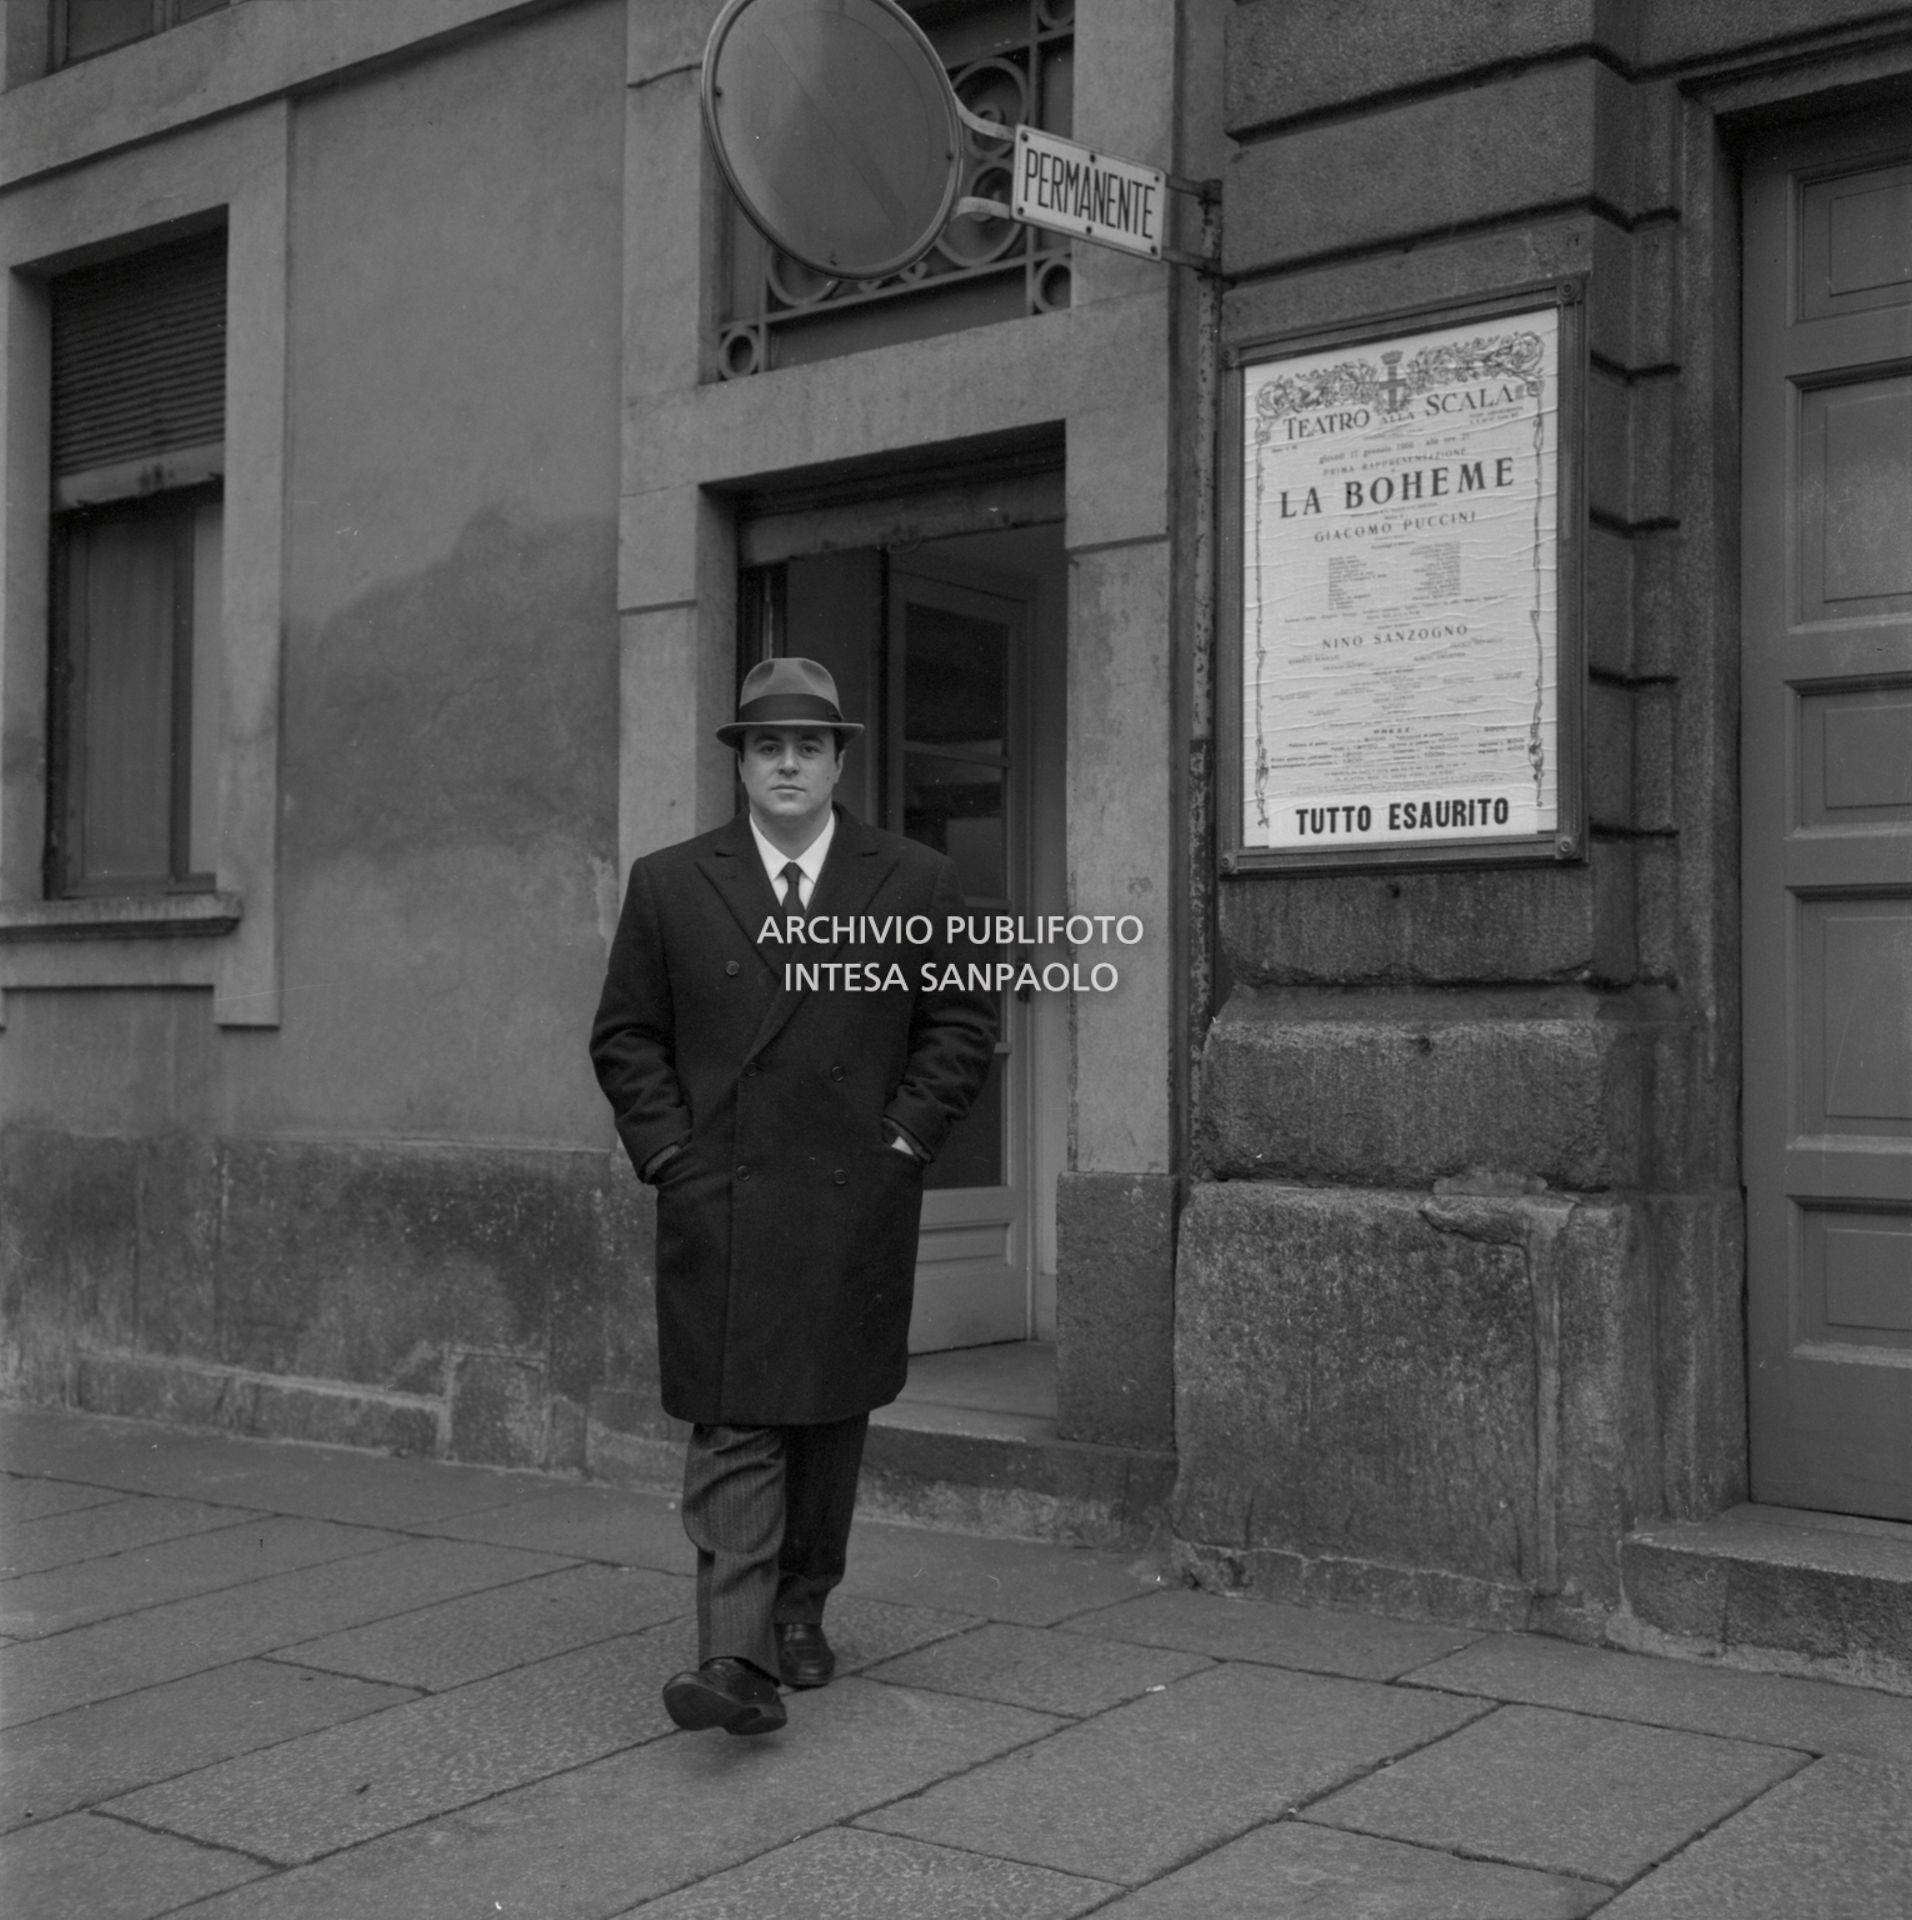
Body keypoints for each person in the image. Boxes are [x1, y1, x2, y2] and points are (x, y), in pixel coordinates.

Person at [590, 656, 996, 1736]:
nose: (785, 764)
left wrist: (902, 1139)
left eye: (806, 747)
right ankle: (732, 1656)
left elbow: (961, 1024)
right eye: (765, 746)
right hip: (719, 1193)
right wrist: (670, 1153)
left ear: (836, 762)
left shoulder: (911, 878)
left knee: (826, 1419)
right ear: (740, 764)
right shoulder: (672, 882)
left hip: (849, 1190)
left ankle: (802, 1605)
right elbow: (627, 1035)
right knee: (737, 1420)